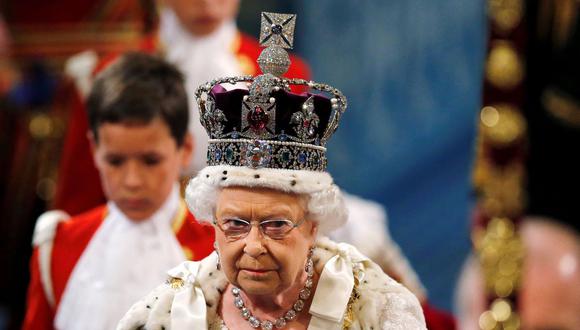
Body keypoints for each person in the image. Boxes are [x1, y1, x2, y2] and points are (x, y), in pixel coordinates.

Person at [117, 12, 426, 329]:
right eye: (235, 224)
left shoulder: (378, 310)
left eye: (276, 224)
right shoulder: (168, 313)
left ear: (314, 227)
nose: (252, 246)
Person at [54, 0, 310, 215]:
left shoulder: (287, 76)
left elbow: (292, 195)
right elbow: (80, 200)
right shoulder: (108, 75)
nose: (207, 4)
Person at [22, 52, 215, 330]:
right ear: (94, 150)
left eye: (150, 160)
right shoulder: (59, 247)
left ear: (184, 150)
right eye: (115, 161)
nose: (132, 181)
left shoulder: (217, 251)